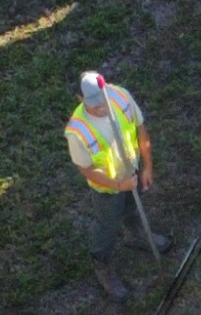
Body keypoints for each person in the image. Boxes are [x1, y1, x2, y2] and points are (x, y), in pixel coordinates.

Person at [64, 70, 169, 301]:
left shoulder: (121, 98)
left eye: (101, 99)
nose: (100, 106)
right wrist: (117, 185)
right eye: (93, 103)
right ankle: (102, 264)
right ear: (80, 99)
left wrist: (147, 166)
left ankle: (135, 235)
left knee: (132, 206)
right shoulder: (78, 131)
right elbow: (86, 169)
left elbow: (141, 130)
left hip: (131, 173)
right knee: (107, 224)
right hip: (108, 188)